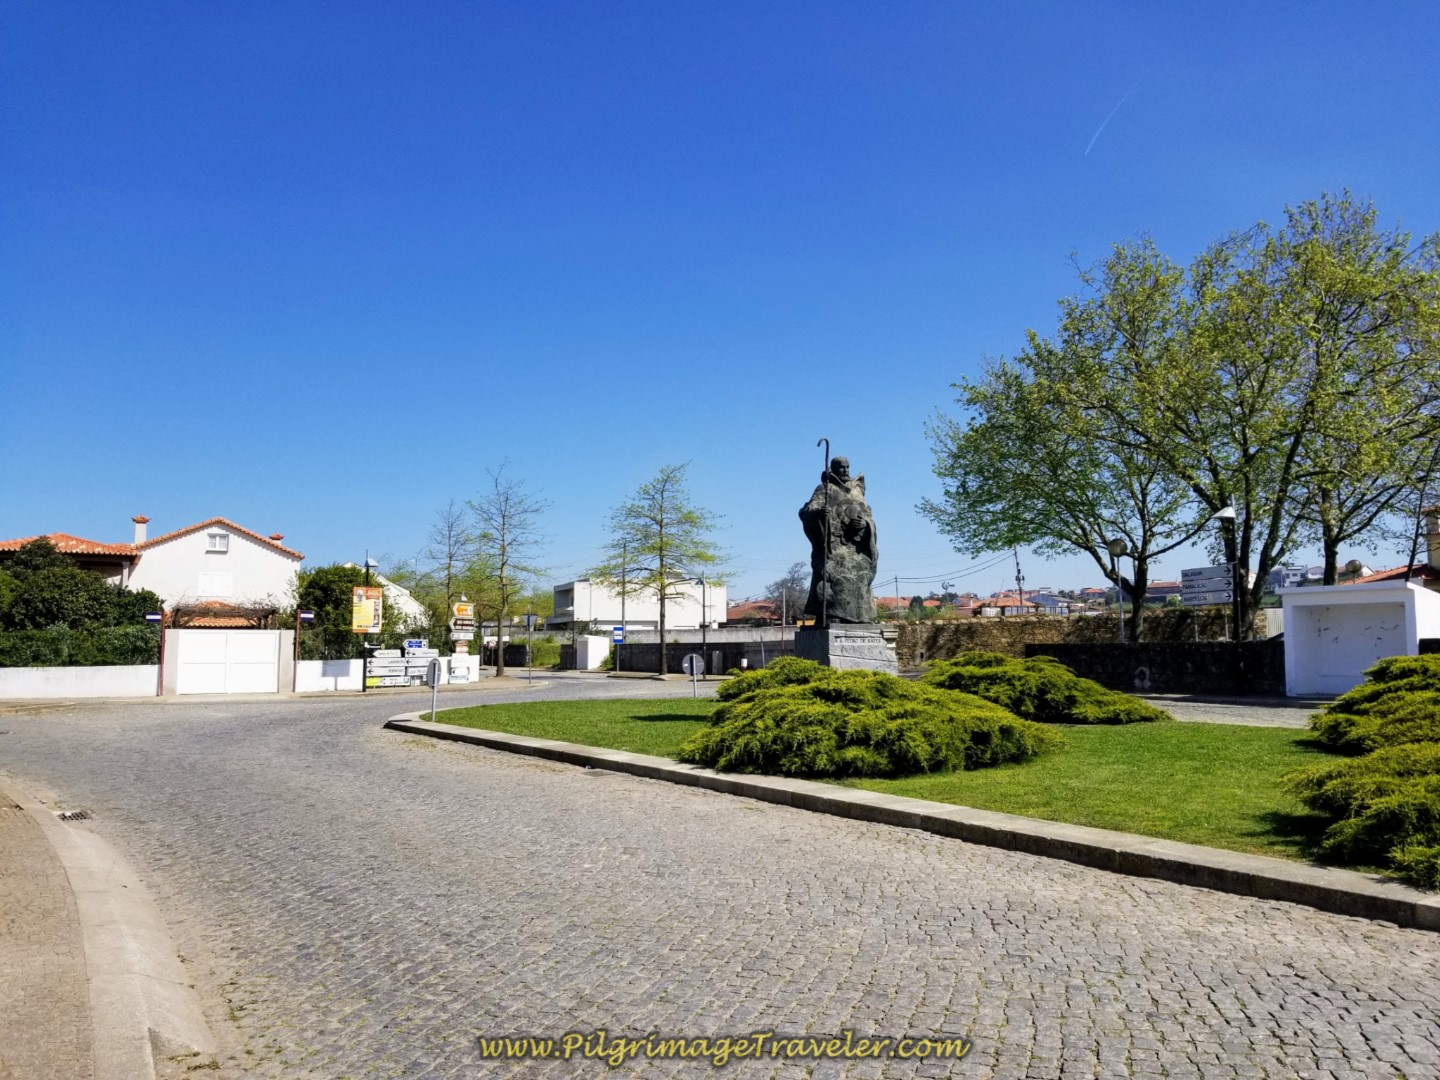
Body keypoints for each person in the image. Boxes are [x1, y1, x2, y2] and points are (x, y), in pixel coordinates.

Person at [799, 456, 878, 624]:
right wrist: (820, 513)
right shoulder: (824, 489)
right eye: (841, 467)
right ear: (833, 469)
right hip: (833, 546)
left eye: (847, 467)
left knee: (861, 570)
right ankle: (831, 613)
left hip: (855, 546)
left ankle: (861, 615)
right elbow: (807, 511)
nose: (845, 471)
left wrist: (864, 524)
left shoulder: (857, 491)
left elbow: (868, 516)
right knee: (833, 573)